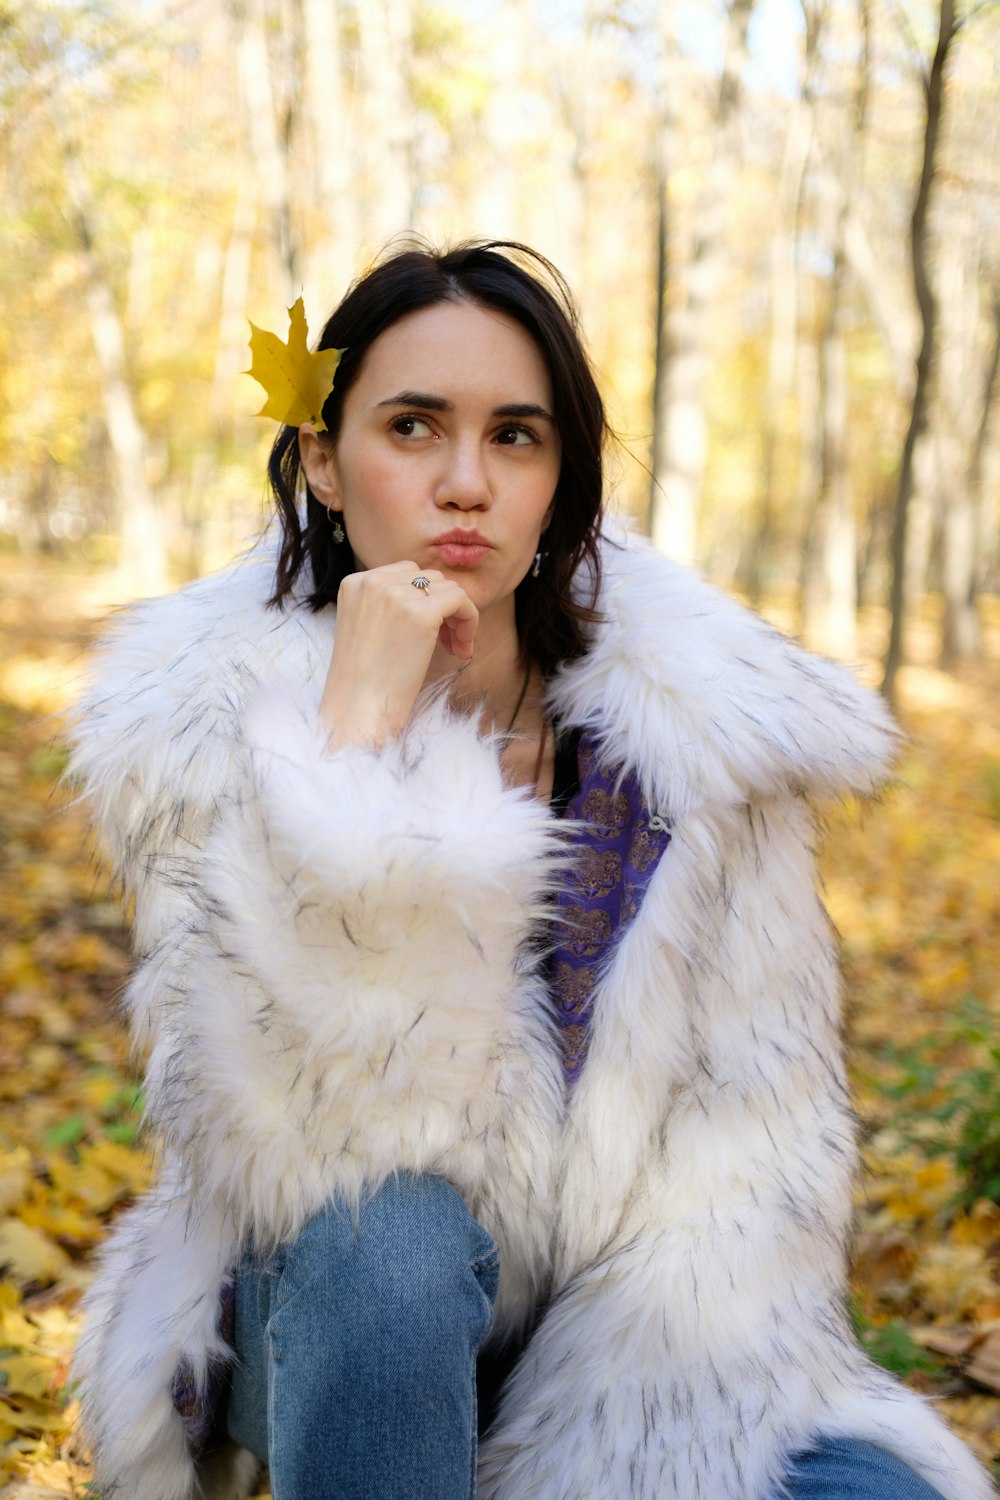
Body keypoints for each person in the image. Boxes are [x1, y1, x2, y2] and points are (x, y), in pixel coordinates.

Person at [69, 242, 992, 1500]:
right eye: (412, 426)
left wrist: (614, 1445)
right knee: (388, 1249)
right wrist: (350, 752)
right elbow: (324, 1154)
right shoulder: (207, 737)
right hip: (329, 1324)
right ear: (326, 462)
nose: (465, 483)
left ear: (561, 479)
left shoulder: (695, 755)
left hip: (635, 1360)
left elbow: (747, 1170)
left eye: (515, 437)